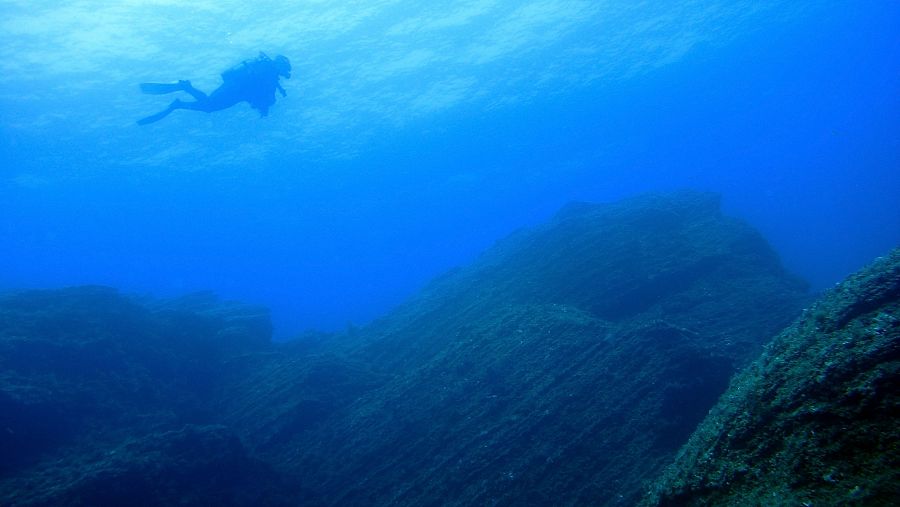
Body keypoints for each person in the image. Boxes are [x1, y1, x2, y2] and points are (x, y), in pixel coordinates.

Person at [137, 52, 291, 125]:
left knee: (209, 106)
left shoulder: (264, 69)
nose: (286, 73)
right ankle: (184, 89)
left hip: (234, 89)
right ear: (280, 65)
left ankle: (180, 101)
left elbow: (260, 94)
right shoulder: (269, 73)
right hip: (236, 90)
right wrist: (265, 107)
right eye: (285, 68)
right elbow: (266, 96)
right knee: (210, 105)